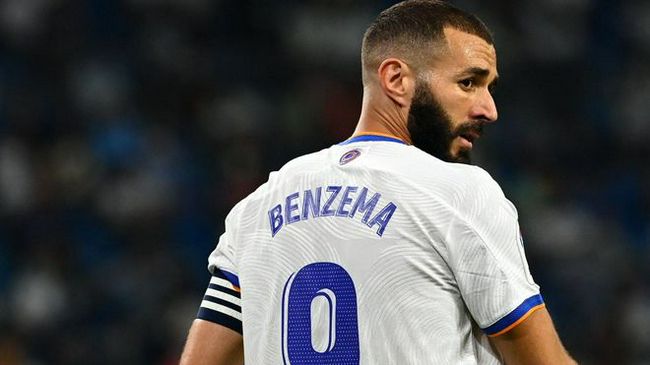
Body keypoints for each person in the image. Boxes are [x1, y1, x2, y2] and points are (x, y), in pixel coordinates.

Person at [180, 1, 577, 364]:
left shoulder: (256, 209)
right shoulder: (460, 192)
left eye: (490, 87)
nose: (488, 108)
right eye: (469, 83)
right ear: (396, 79)